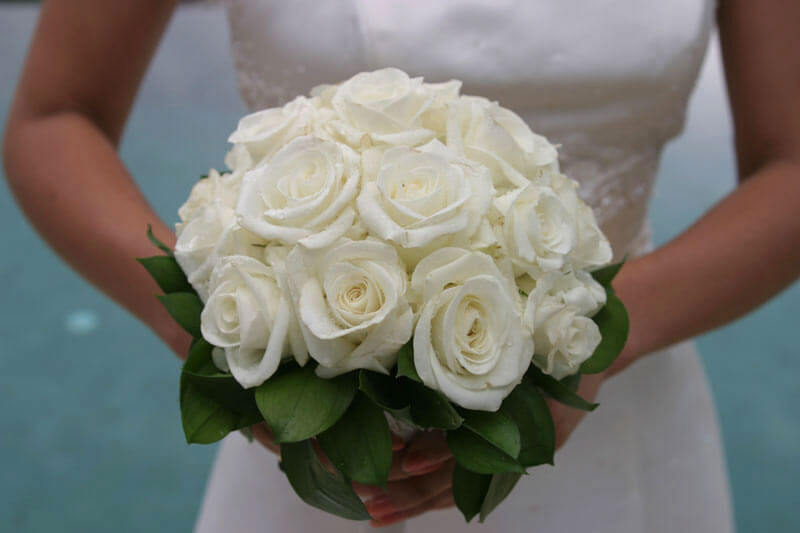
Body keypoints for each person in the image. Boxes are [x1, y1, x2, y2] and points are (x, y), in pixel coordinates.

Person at [3, 0, 799, 531]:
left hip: (615, 418)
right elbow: (54, 115)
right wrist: (223, 325)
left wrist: (598, 342)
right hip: (311, 436)